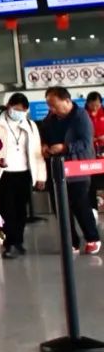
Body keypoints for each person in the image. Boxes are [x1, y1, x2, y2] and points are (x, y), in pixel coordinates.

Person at [43, 87, 100, 254]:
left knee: (80, 204)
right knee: (61, 208)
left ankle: (92, 238)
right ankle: (71, 242)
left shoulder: (80, 116)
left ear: (67, 101)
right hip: (57, 168)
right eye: (49, 105)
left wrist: (65, 147)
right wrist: (44, 146)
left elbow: (86, 143)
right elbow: (44, 134)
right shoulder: (50, 118)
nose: (52, 109)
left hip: (77, 167)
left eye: (54, 105)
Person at [0, 92, 46, 257]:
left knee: (21, 210)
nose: (19, 113)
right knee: (7, 209)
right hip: (3, 174)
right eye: (16, 109)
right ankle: (9, 244)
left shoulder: (30, 125)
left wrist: (41, 176)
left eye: (22, 110)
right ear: (8, 106)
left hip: (24, 172)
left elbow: (37, 152)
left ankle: (18, 242)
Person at [85, 92, 104, 206]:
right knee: (93, 181)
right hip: (90, 152)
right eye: (92, 105)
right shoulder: (83, 115)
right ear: (88, 103)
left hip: (102, 150)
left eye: (97, 105)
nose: (95, 107)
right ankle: (94, 206)